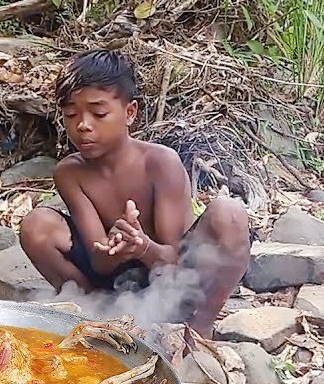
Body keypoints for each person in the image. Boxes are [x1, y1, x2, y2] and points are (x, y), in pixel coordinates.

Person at [18, 48, 251, 337]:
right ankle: (95, 316)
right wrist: (115, 248)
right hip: (113, 284)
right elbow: (99, 262)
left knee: (229, 214)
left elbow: (175, 262)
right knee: (36, 225)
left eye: (99, 113)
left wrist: (142, 246)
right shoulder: (70, 173)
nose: (83, 125)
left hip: (173, 281)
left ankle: (199, 327)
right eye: (70, 115)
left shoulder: (160, 163)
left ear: (130, 113)